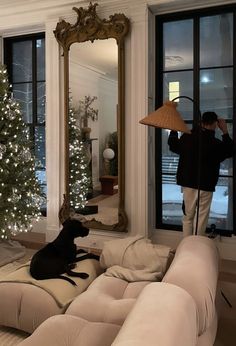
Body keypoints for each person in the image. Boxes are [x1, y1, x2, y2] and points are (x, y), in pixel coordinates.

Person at [168, 111, 234, 237]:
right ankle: (197, 247)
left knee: (188, 217)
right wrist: (225, 131)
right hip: (206, 184)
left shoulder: (187, 137)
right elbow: (230, 150)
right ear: (215, 124)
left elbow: (173, 145)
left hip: (188, 183)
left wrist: (174, 130)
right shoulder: (216, 144)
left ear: (201, 122)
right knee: (201, 217)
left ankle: (187, 248)